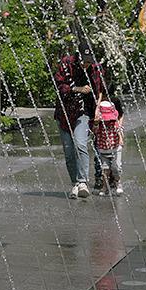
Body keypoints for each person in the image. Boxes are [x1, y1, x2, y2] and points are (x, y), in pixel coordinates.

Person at [54, 47, 105, 199]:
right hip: (64, 113)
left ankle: (83, 182)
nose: (86, 65)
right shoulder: (66, 64)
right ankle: (75, 184)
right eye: (84, 62)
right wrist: (77, 89)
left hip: (84, 112)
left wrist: (97, 109)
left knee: (81, 143)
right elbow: (60, 86)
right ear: (78, 58)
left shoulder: (96, 68)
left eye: (89, 62)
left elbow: (101, 89)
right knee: (69, 154)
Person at [91, 96, 124, 196]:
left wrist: (121, 139)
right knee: (105, 169)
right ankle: (105, 187)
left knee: (116, 168)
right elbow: (94, 131)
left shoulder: (114, 122)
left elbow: (119, 130)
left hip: (115, 148)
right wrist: (96, 122)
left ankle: (118, 184)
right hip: (103, 149)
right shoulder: (99, 124)